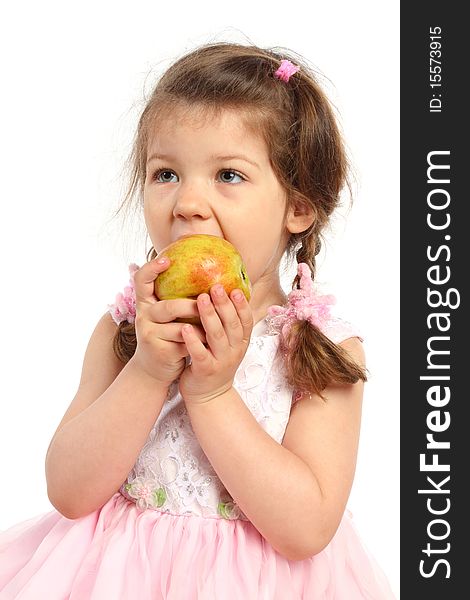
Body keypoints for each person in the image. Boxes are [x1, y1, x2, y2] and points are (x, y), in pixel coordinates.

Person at [0, 42, 395, 599]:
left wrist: (212, 395)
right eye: (165, 173)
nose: (186, 202)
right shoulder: (126, 331)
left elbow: (306, 528)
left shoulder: (319, 348)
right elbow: (68, 491)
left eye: (228, 175)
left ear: (299, 207)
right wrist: (145, 372)